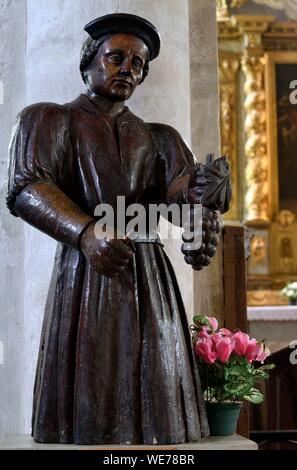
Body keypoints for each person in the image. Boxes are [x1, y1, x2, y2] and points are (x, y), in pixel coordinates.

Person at [7, 14, 223, 445]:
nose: (128, 69)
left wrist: (203, 207)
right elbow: (28, 188)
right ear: (89, 62)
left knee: (157, 396)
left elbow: (178, 199)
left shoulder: (159, 137)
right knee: (93, 385)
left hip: (149, 273)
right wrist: (87, 233)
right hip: (88, 269)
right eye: (116, 58)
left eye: (138, 64)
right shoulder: (50, 120)